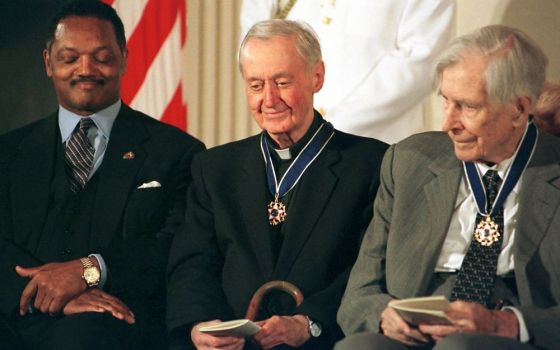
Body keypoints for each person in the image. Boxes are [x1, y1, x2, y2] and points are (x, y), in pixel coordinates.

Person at [166, 19, 388, 350]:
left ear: (317, 77)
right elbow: (193, 263)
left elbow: (369, 270)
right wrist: (201, 324)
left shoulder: (370, 163)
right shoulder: (214, 169)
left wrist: (308, 323)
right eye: (256, 86)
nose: (269, 99)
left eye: (282, 82)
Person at [335, 25, 558, 350]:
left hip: (509, 333)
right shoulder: (408, 161)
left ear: (518, 109)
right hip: (418, 328)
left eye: (468, 107)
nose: (447, 124)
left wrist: (507, 324)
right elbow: (357, 295)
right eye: (446, 102)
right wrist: (383, 315)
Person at [0, 1, 204, 349]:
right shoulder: (7, 153)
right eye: (70, 58)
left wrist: (89, 271)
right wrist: (50, 297)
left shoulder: (177, 152)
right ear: (48, 62)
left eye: (102, 57)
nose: (86, 69)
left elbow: (174, 248)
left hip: (114, 324)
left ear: (124, 58)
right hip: (14, 314)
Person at [240, 0, 455, 144]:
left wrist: (324, 126)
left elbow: (421, 61)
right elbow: (254, 49)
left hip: (381, 149)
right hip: (289, 146)